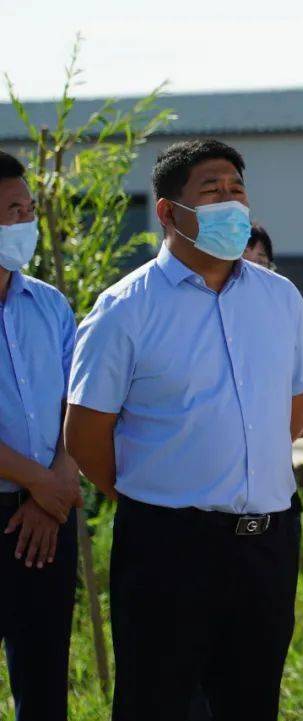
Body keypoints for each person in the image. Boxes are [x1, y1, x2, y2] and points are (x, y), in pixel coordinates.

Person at [64, 139, 303, 721]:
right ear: (167, 212)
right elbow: (85, 436)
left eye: (237, 190)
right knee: (157, 700)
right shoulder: (124, 309)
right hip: (168, 547)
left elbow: (297, 405)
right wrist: (158, 495)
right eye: (212, 193)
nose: (230, 204)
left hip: (267, 542)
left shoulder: (279, 298)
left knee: (250, 698)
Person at [0, 150, 82, 721]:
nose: (25, 222)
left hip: (47, 518)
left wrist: (56, 489)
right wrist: (43, 485)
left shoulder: (49, 305)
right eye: (11, 210)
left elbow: (78, 406)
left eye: (28, 208)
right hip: (38, 499)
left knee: (44, 677)